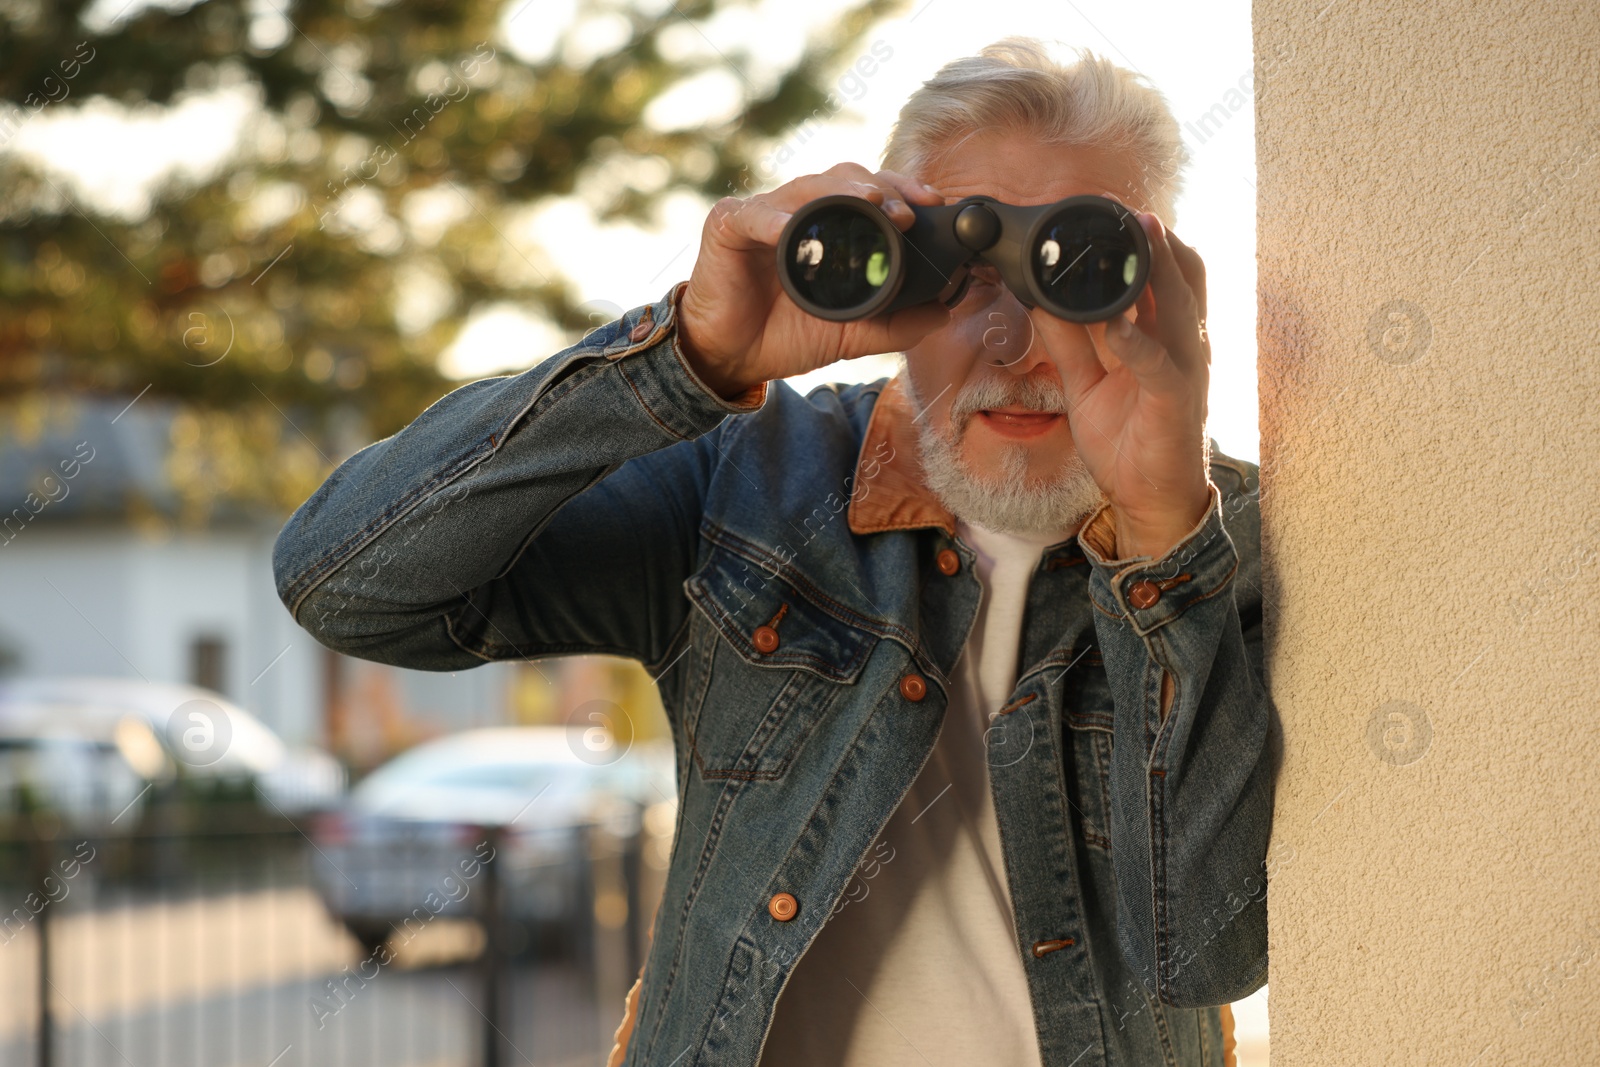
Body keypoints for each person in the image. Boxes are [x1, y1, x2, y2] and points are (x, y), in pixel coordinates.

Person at [273, 36, 1270, 1067]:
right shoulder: (754, 484)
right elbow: (344, 583)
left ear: (1156, 291)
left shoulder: (1237, 539)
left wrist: (1163, 533)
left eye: (1073, 274)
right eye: (962, 277)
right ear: (886, 268)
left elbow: (1208, 948)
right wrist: (684, 358)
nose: (1017, 344)